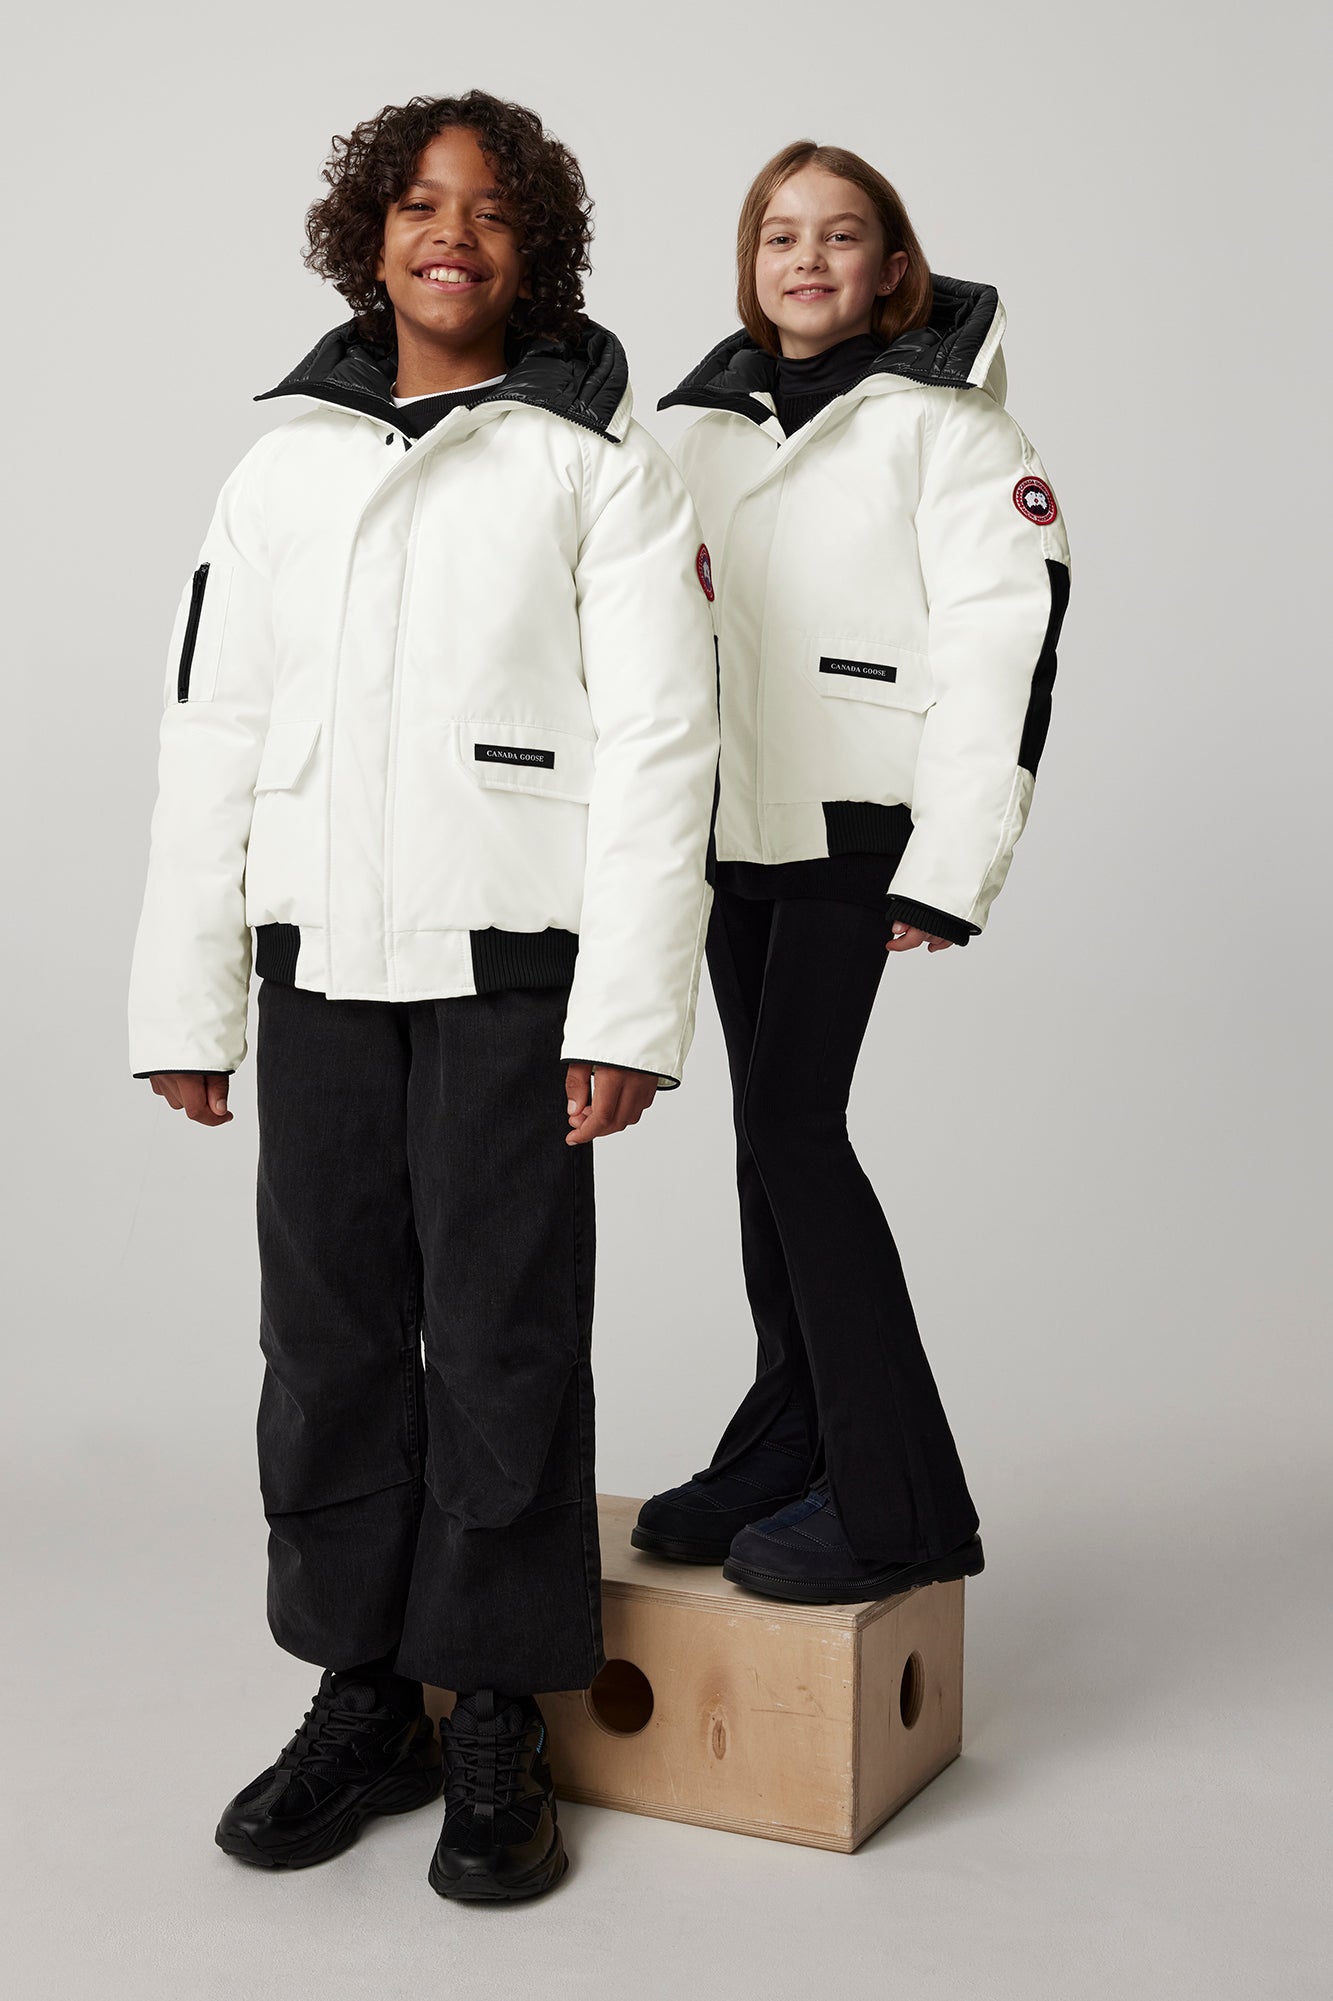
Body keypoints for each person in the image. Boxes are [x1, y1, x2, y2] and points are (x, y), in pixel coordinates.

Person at [127, 89, 718, 1903]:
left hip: (509, 967)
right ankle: (365, 1688)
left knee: (503, 1338)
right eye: (415, 204)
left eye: (488, 209)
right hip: (315, 958)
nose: (448, 233)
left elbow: (664, 745)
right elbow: (212, 731)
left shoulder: (597, 464)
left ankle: (495, 1715)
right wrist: (187, 1001)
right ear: (367, 237)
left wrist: (624, 1013)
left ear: (532, 249)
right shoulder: (279, 469)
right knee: (323, 1342)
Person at [633, 140, 1071, 1607]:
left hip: (855, 819)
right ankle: (791, 1437)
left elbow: (1004, 648)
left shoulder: (953, 430)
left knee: (794, 1128)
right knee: (762, 1138)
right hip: (727, 827)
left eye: (839, 235)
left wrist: (952, 864)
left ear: (893, 267)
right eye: (779, 235)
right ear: (749, 264)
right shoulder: (693, 429)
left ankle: (901, 1502)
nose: (806, 259)